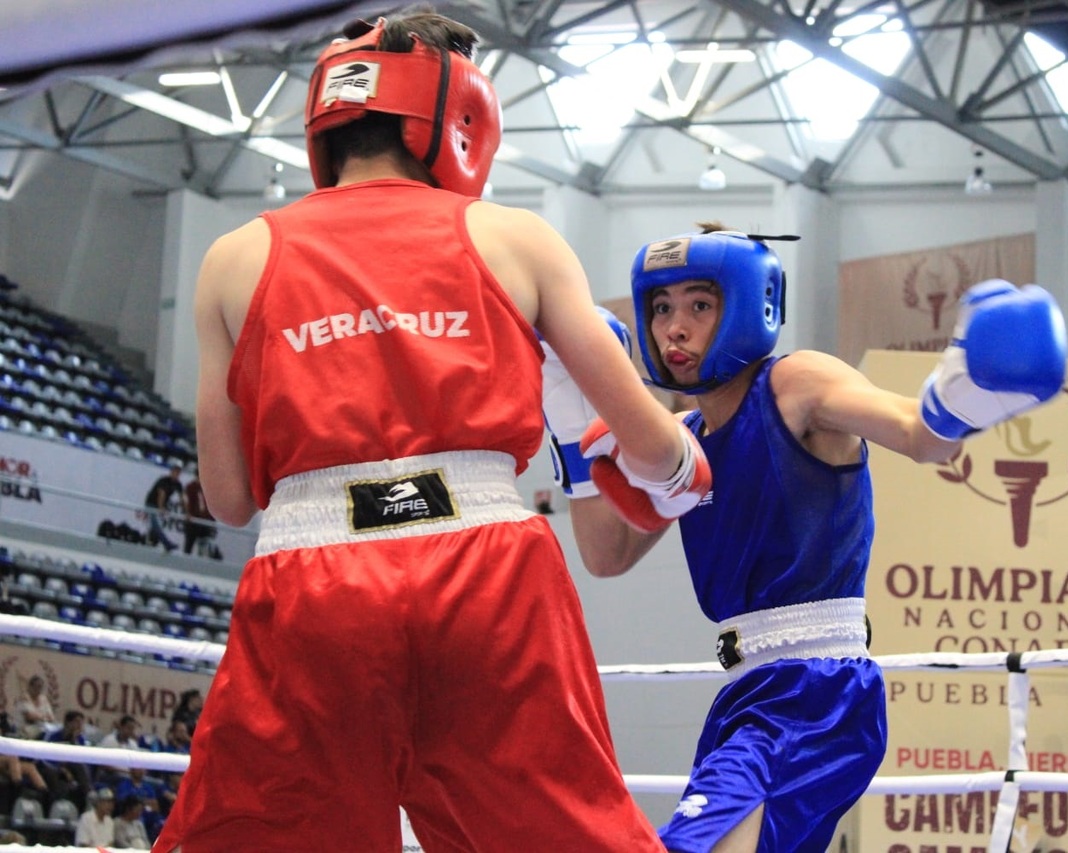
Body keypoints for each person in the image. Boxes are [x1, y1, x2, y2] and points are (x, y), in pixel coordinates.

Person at [154, 8, 708, 852]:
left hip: (311, 580)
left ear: (326, 122)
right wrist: (677, 469)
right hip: (487, 572)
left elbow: (228, 499)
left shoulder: (233, 257)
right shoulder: (514, 237)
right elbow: (653, 444)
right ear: (457, 119)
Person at [549, 224, 1067, 852]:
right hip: (748, 693)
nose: (675, 329)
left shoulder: (794, 384)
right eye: (661, 308)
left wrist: (969, 394)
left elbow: (918, 435)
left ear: (750, 304)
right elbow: (606, 555)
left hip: (813, 693)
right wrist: (571, 416)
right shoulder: (683, 442)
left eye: (699, 305)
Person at [143, 464, 184, 553]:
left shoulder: (178, 484)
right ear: (171, 472)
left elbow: (183, 498)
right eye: (175, 472)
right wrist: (161, 508)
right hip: (152, 503)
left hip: (161, 505)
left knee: (156, 525)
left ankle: (152, 541)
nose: (176, 475)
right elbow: (161, 494)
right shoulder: (164, 481)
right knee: (155, 524)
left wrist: (186, 511)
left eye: (178, 473)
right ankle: (166, 543)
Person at [182, 469, 217, 556]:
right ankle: (186, 559)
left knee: (204, 543)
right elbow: (186, 501)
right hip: (194, 520)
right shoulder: (190, 487)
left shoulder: (206, 488)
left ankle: (202, 558)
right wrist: (188, 513)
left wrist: (211, 519)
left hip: (204, 520)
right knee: (189, 544)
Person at [15, 673, 55, 738]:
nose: (38, 689)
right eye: (37, 686)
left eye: (40, 687)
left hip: (42, 728)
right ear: (30, 686)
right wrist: (44, 717)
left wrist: (39, 717)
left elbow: (51, 718)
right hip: (24, 730)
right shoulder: (23, 699)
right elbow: (29, 718)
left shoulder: (43, 699)